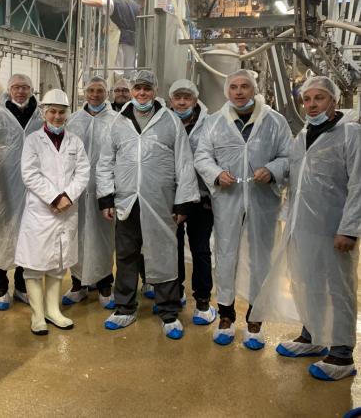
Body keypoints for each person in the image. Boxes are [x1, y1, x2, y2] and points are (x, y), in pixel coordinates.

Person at [251, 76, 361, 381]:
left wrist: (350, 228)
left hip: (334, 227)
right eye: (307, 99)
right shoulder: (303, 135)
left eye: (319, 98)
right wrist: (271, 172)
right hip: (302, 225)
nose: (311, 105)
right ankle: (313, 335)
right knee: (307, 280)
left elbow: (359, 185)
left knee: (338, 287)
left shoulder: (351, 133)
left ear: (334, 101)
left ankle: (341, 354)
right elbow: (298, 177)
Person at [96, 70, 200, 340]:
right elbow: (105, 162)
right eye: (138, 89)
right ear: (131, 90)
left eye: (147, 89)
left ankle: (168, 311)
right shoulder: (118, 122)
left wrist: (183, 203)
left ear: (155, 91)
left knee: (164, 254)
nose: (142, 93)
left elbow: (184, 163)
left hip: (160, 201)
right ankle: (124, 307)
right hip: (127, 200)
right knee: (127, 254)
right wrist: (106, 197)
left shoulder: (170, 121)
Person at [194, 69, 292, 349]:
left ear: (254, 89)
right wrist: (215, 174)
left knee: (261, 258)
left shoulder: (275, 121)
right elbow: (202, 156)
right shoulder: (214, 123)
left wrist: (272, 170)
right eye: (234, 87)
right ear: (227, 91)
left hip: (263, 202)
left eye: (245, 86)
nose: (239, 92)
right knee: (225, 255)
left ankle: (255, 320)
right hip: (227, 200)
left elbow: (289, 156)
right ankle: (225, 316)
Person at [15, 89, 90, 335]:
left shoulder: (75, 142)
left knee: (59, 263)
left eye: (61, 112)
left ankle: (53, 310)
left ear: (67, 114)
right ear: (44, 113)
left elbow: (83, 172)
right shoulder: (33, 141)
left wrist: (68, 196)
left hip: (66, 209)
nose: (57, 116)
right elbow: (29, 173)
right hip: (41, 211)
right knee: (35, 265)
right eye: (52, 112)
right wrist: (54, 197)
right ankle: (37, 316)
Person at [0, 74, 43, 311]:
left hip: (32, 188)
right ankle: (0, 288)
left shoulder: (40, 116)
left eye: (25, 87)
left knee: (28, 237)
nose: (21, 91)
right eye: (17, 87)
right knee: (1, 235)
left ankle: (20, 286)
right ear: (9, 89)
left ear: (31, 90)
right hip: (4, 186)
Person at [63, 76, 116, 309]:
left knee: (104, 238)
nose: (95, 95)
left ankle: (105, 284)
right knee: (76, 235)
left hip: (105, 191)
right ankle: (78, 285)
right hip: (76, 190)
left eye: (100, 90)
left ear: (107, 93)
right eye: (91, 90)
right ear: (84, 92)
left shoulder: (117, 121)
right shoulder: (72, 120)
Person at [169, 79, 216, 325]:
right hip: (173, 199)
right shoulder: (164, 122)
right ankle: (175, 294)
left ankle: (203, 300)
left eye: (187, 97)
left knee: (200, 250)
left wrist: (211, 194)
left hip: (201, 199)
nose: (182, 101)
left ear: (195, 100)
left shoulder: (210, 124)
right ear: (171, 100)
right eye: (178, 97)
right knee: (173, 248)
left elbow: (216, 158)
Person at [83, 0, 140, 77]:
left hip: (120, 40)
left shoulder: (115, 2)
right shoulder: (136, 6)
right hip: (133, 41)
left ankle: (117, 90)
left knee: (117, 69)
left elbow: (99, 2)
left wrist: (83, 1)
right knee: (130, 70)